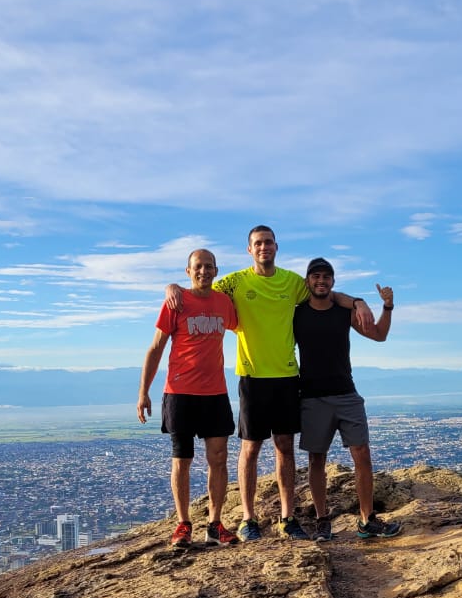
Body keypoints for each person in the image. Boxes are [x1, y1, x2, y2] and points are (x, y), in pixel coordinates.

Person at [167, 226, 373, 541]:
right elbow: (200, 287)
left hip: (288, 376)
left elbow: (327, 295)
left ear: (276, 247)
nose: (263, 247)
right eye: (257, 243)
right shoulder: (234, 281)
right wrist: (173, 287)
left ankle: (288, 517)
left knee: (285, 448)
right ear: (249, 249)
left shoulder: (292, 282)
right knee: (250, 448)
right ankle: (248, 518)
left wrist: (357, 301)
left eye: (268, 242)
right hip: (252, 377)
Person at [294, 257, 400, 541]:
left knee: (362, 455)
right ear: (308, 281)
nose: (321, 281)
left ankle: (367, 520)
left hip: (346, 393)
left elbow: (379, 335)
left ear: (333, 282)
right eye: (315, 277)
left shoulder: (343, 311)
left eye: (326, 277)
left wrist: (386, 307)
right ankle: (322, 520)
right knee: (317, 459)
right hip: (312, 396)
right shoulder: (296, 314)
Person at [139, 248, 240, 548]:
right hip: (179, 393)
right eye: (198, 267)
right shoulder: (176, 301)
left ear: (216, 271)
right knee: (181, 460)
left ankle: (215, 524)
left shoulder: (224, 302)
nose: (204, 272)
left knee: (218, 458)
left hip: (215, 392)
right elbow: (156, 347)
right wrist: (143, 391)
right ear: (188, 271)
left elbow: (243, 324)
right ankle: (183, 524)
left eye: (209, 267)